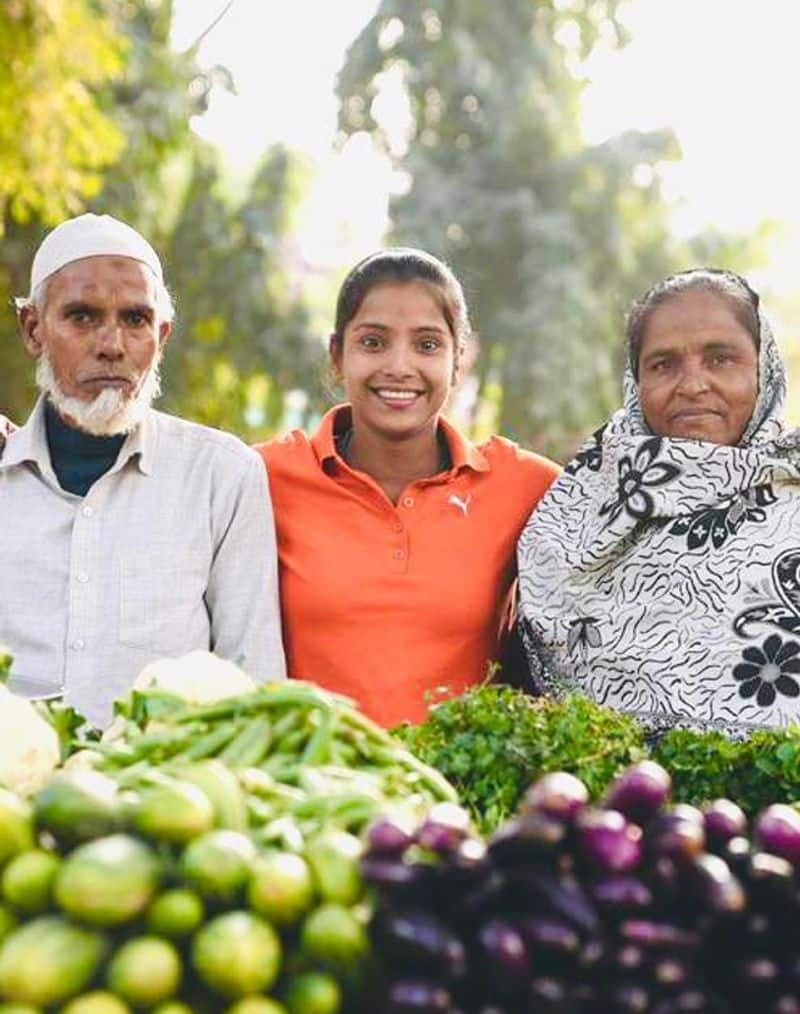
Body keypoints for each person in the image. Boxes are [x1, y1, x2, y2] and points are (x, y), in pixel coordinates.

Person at [0, 213, 285, 724]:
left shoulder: (221, 478)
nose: (112, 345)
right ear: (33, 330)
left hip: (166, 796)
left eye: (136, 319)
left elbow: (255, 684)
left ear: (163, 335)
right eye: (82, 316)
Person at [257, 247, 560, 727]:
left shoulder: (526, 485)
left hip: (458, 796)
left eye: (427, 345)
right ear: (337, 355)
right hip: (309, 791)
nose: (399, 366)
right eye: (373, 343)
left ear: (460, 359)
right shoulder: (263, 477)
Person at [517, 267, 800, 735]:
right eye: (663, 364)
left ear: (763, 369)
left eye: (720, 358)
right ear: (636, 382)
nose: (692, 385)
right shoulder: (579, 510)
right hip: (612, 802)